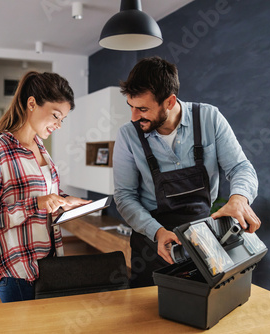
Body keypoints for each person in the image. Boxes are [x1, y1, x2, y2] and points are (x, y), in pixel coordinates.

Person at [112, 56, 261, 288]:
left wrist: (240, 198)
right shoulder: (128, 135)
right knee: (147, 316)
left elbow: (240, 167)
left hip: (204, 239)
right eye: (130, 106)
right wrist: (157, 232)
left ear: (169, 102)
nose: (133, 117)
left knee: (203, 307)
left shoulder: (210, 119)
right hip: (153, 242)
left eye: (142, 109)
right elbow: (124, 196)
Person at [0, 71, 90, 302]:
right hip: (17, 269)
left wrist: (65, 200)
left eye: (62, 119)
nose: (58, 125)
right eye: (55, 116)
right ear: (32, 104)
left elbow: (40, 194)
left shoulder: (40, 147)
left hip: (48, 260)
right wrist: (35, 204)